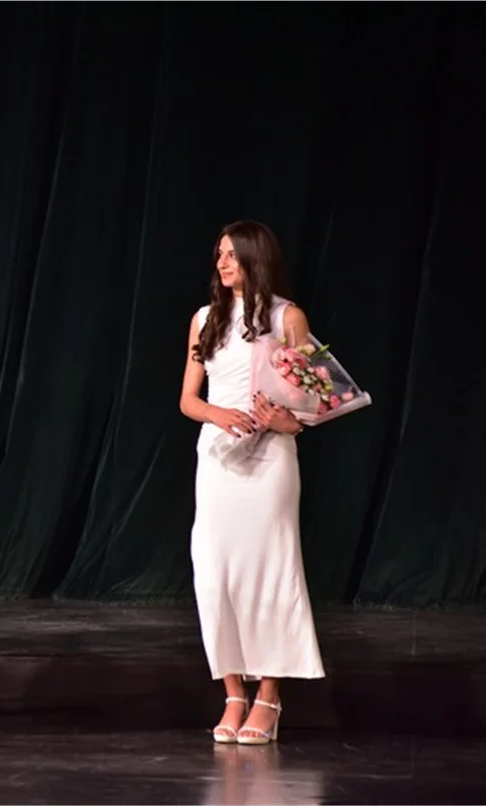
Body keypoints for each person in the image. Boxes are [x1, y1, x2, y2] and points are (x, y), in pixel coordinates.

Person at [178, 220, 325, 745]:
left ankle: (269, 696)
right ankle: (233, 692)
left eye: (232, 256)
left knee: (269, 571)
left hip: (270, 460)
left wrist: (290, 422)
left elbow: (315, 398)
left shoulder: (288, 318)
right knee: (217, 574)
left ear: (254, 259)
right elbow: (188, 400)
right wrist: (218, 414)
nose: (221, 264)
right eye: (218, 255)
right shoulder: (204, 319)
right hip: (219, 457)